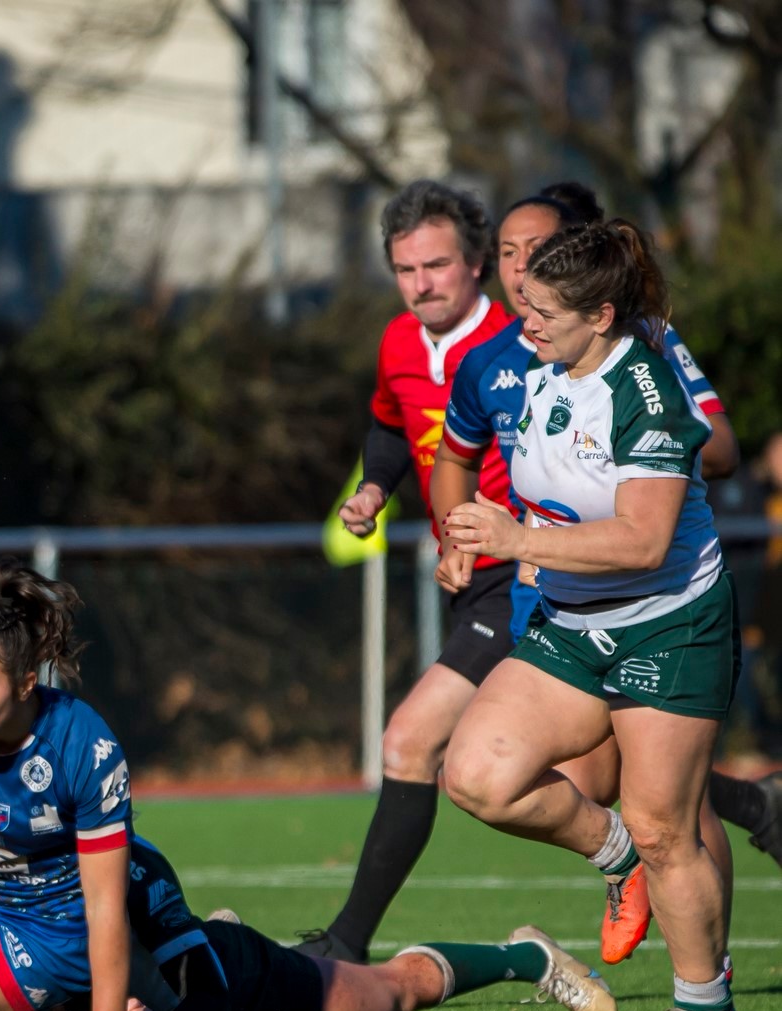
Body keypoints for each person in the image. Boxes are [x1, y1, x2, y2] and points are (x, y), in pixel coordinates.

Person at [0, 566, 613, 1011]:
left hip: (121, 939)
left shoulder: (81, 744)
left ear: (28, 684)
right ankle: (57, 1004)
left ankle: (523, 957)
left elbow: (102, 907)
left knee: (379, 998)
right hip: (8, 909)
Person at [305, 183, 780, 963]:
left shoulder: (628, 351)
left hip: (623, 593)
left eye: (535, 255)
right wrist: (435, 518)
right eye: (510, 257)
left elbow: (701, 460)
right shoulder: (486, 357)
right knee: (587, 786)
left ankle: (705, 977)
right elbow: (436, 447)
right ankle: (704, 825)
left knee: (656, 803)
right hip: (539, 585)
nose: (520, 275)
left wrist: (635, 458)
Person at [442, 220, 738, 1011]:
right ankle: (617, 861)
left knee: (663, 822)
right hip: (573, 621)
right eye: (523, 304)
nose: (522, 324)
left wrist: (518, 543)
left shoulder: (645, 391)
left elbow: (644, 540)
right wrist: (476, 532)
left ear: (601, 315)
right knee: (477, 777)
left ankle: (703, 1008)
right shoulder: (539, 369)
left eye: (541, 312)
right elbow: (547, 497)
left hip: (669, 620)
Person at [307, 181, 517, 963]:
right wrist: (372, 488)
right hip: (468, 579)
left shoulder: (520, 345)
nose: (421, 284)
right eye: (405, 269)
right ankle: (749, 803)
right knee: (598, 772)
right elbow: (391, 424)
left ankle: (345, 944)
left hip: (526, 577)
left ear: (476, 266)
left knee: (408, 741)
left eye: (436, 265)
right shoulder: (400, 343)